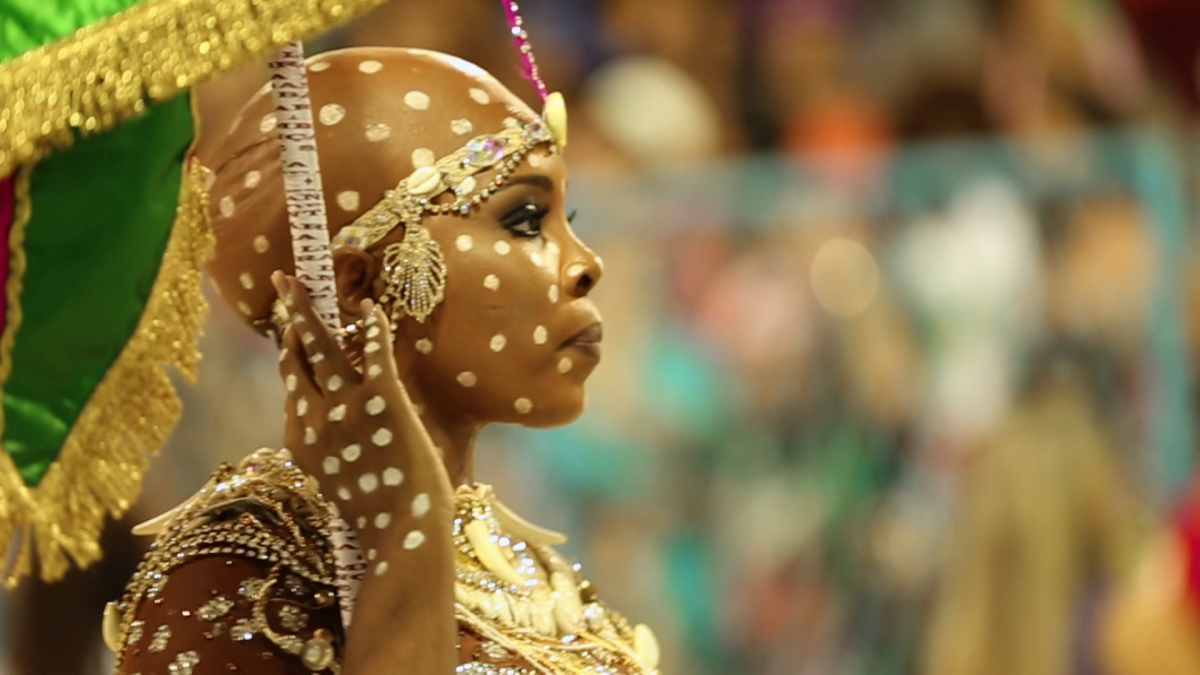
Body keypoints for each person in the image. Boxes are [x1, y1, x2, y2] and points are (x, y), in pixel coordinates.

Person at [105, 46, 661, 674]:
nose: (587, 263)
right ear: (354, 286)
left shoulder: (537, 574)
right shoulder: (240, 567)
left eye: (570, 218)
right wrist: (404, 536)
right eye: (525, 220)